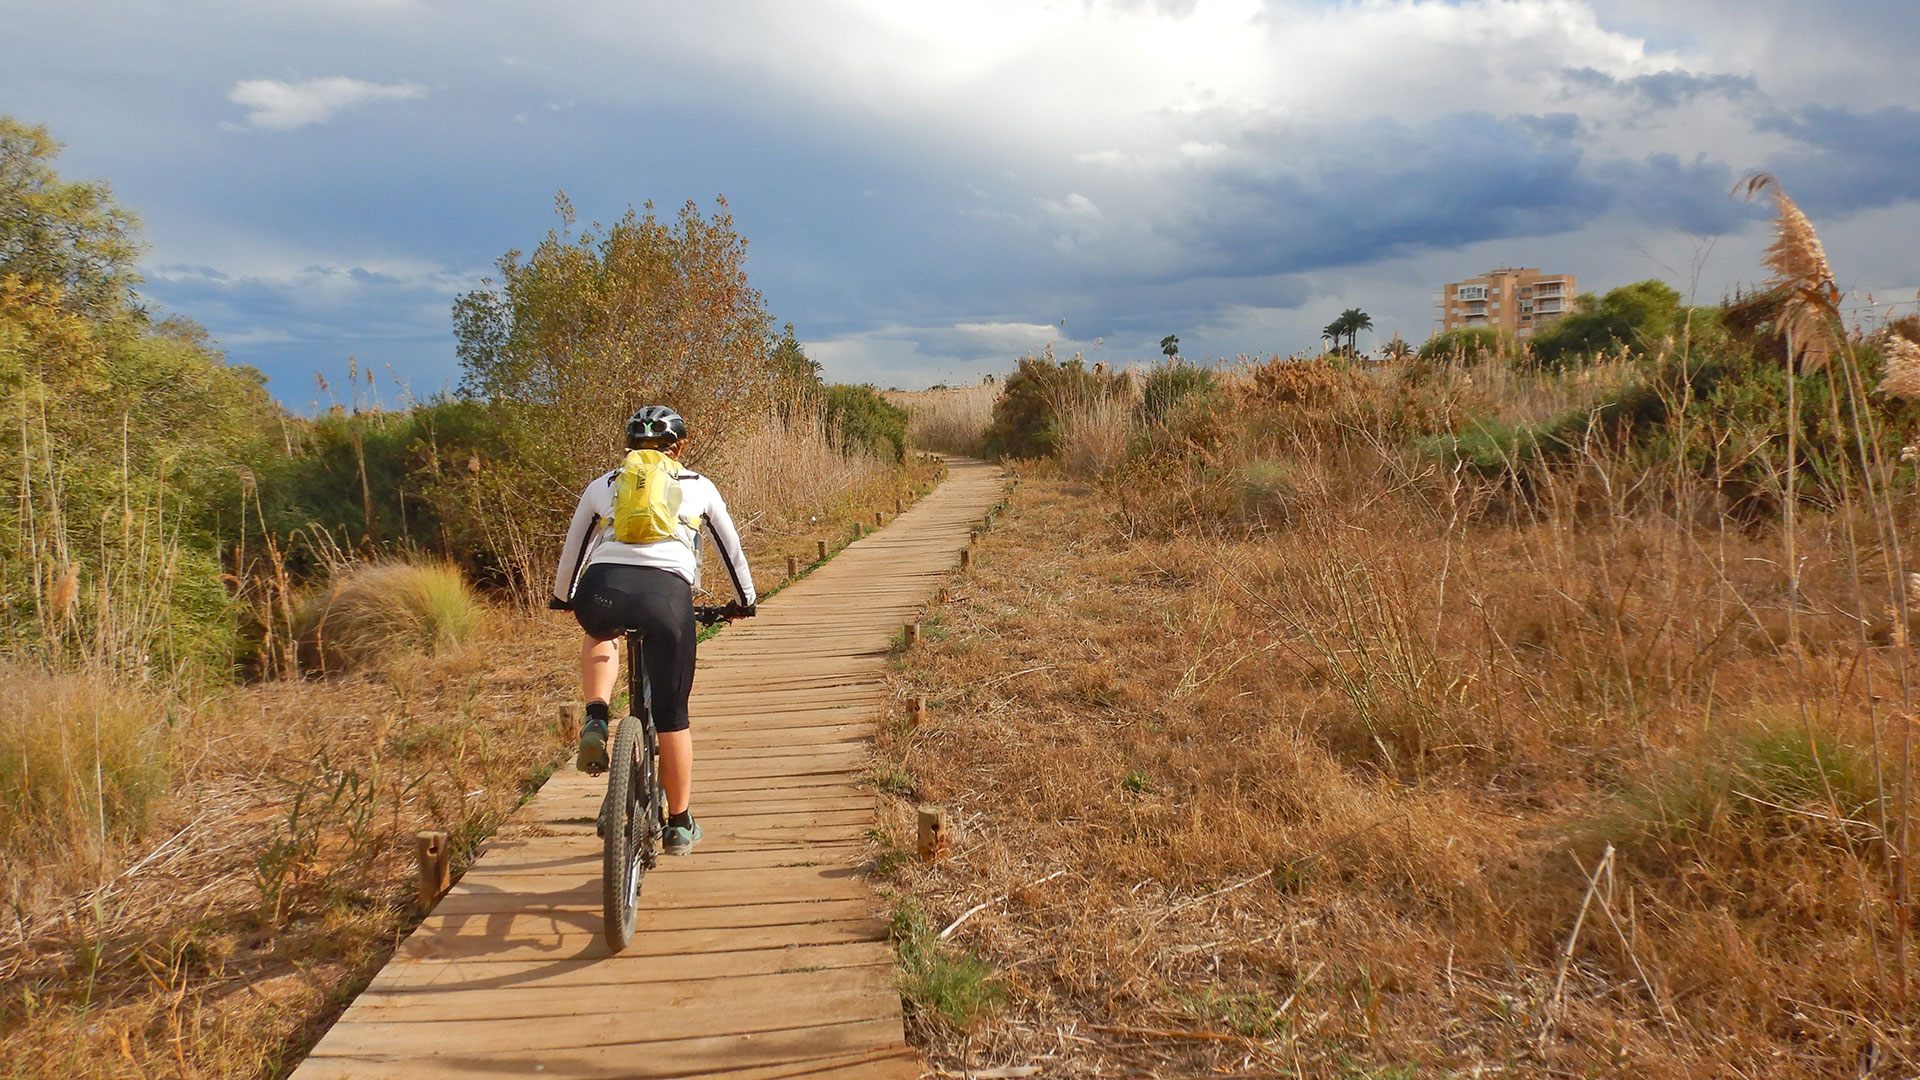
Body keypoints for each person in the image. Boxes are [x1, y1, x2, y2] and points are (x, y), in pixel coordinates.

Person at [549, 405, 756, 856]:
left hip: (601, 589)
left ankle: (597, 717)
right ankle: (679, 823)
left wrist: (565, 598)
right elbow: (730, 549)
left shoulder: (604, 485)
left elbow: (574, 549)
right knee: (672, 717)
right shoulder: (698, 486)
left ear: (629, 446)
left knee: (601, 632)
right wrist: (745, 602)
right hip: (665, 598)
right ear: (679, 446)